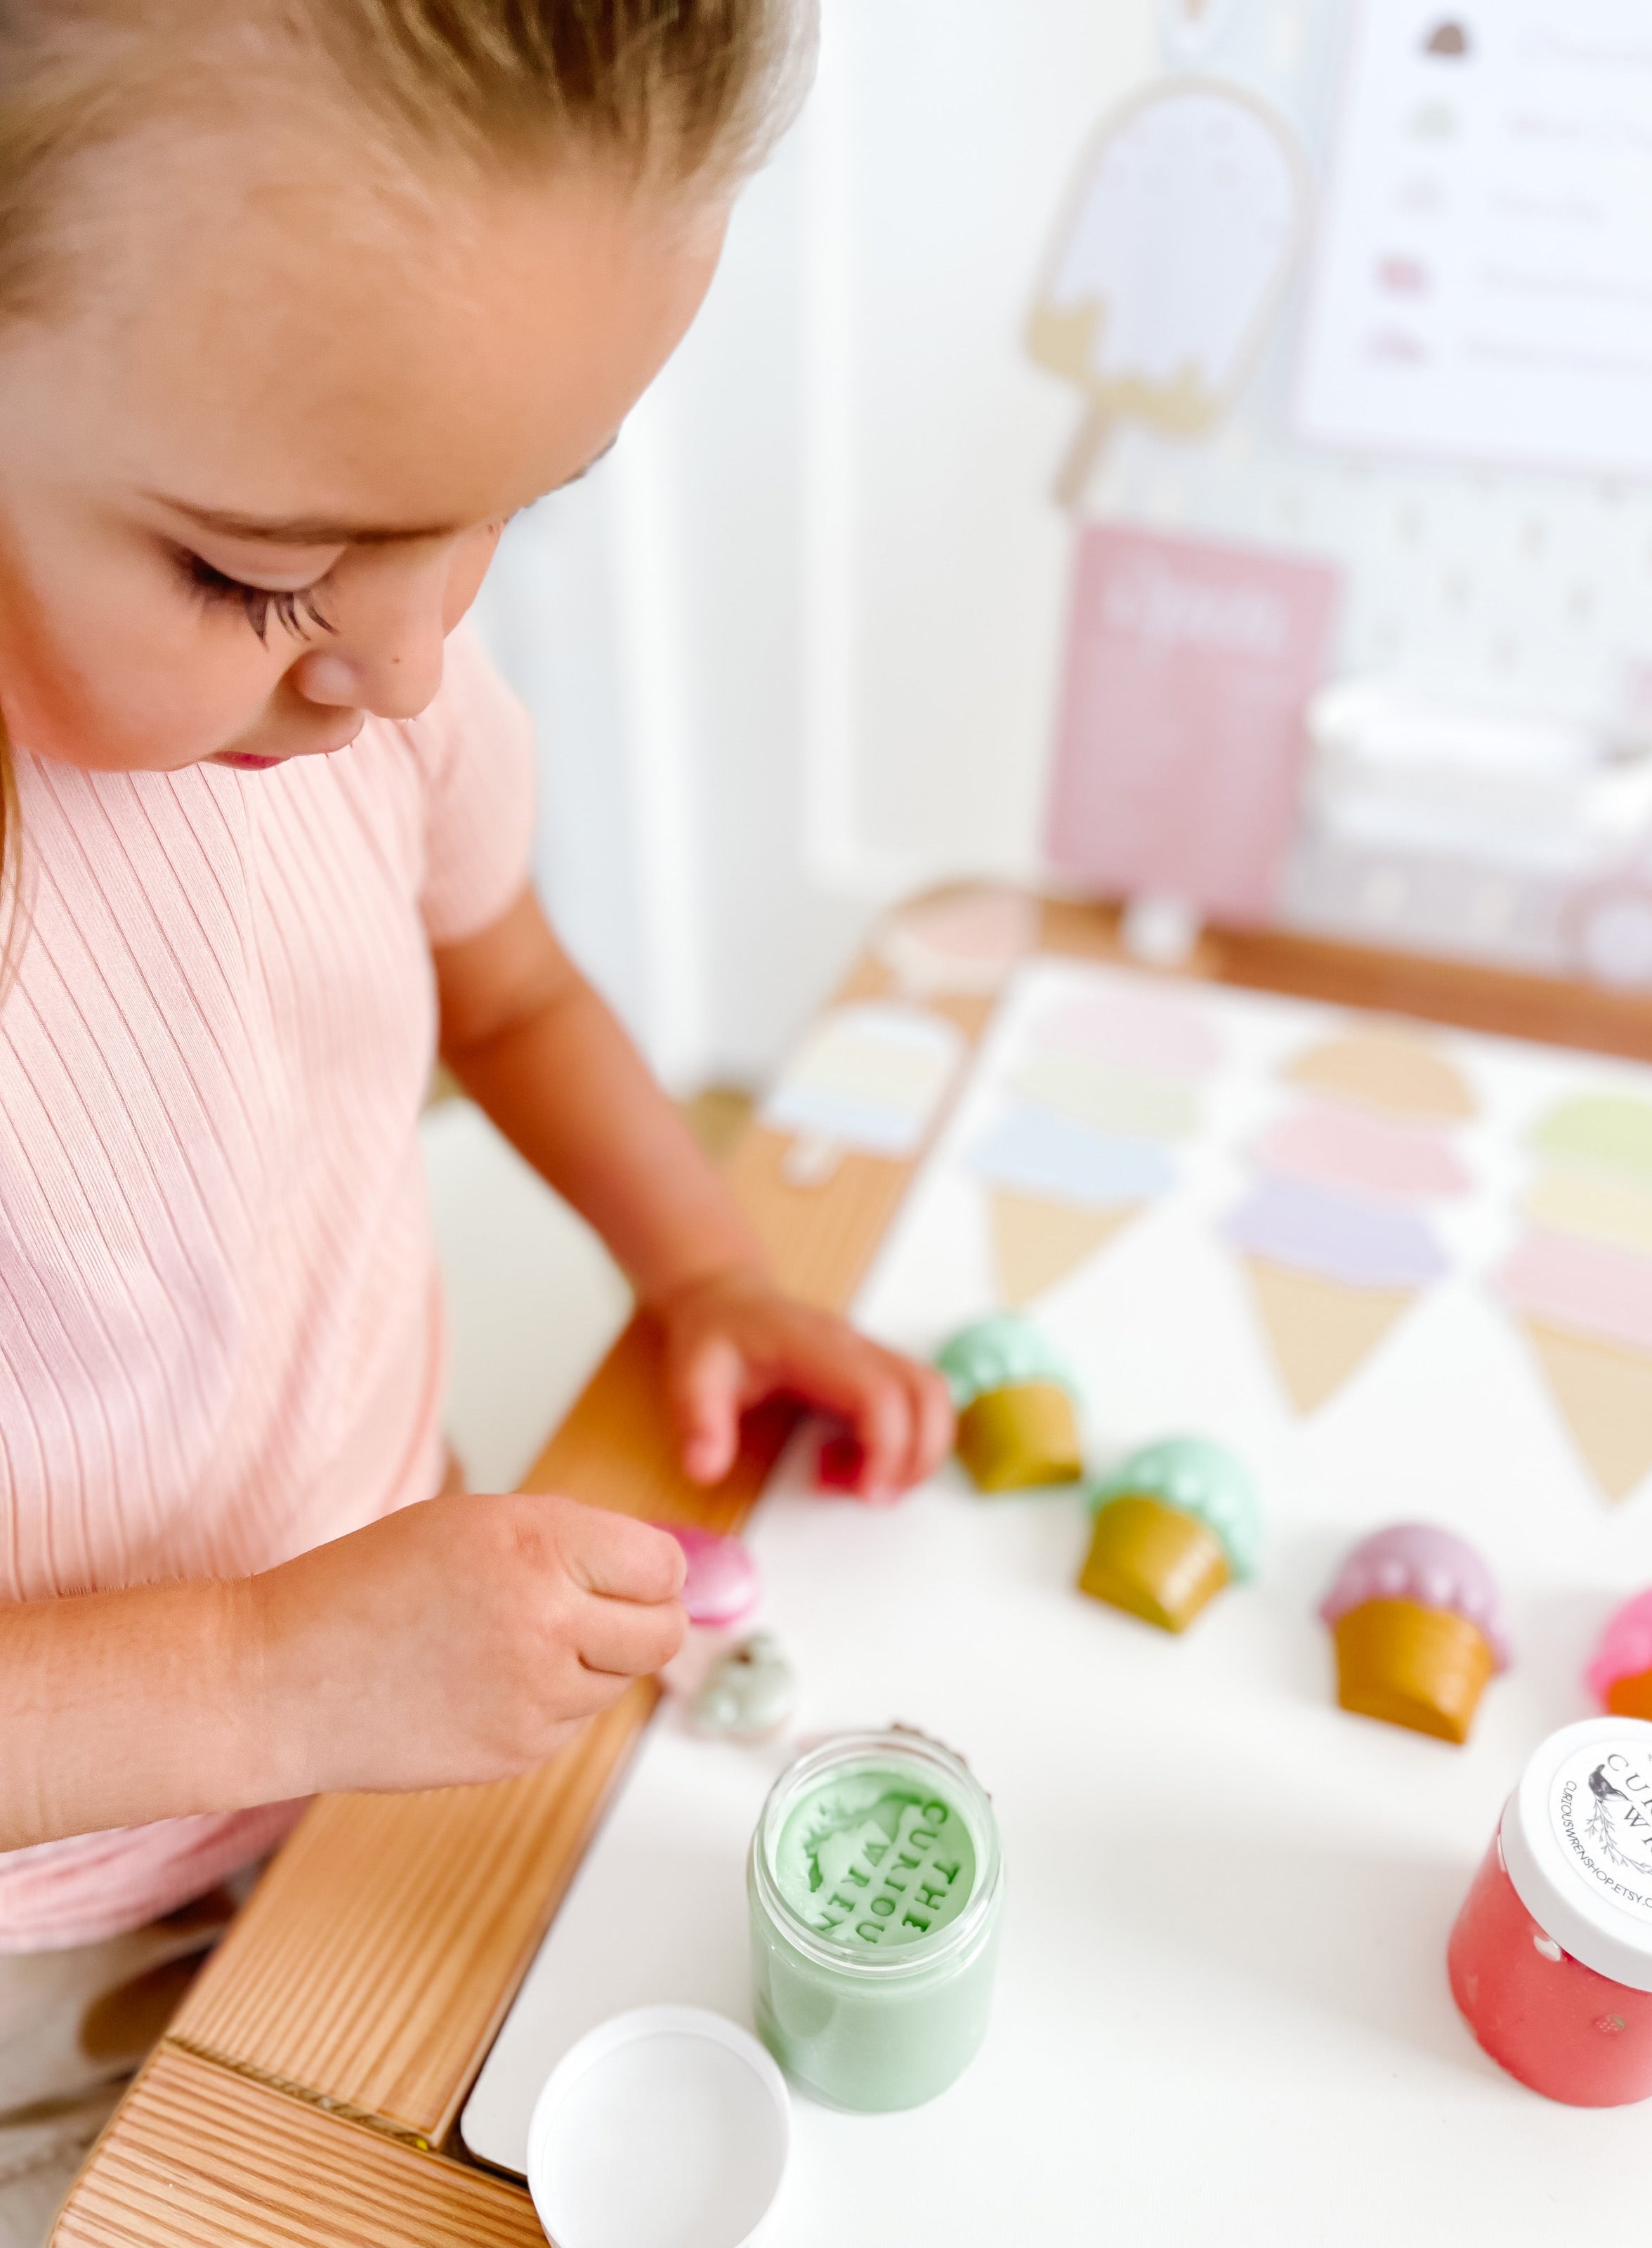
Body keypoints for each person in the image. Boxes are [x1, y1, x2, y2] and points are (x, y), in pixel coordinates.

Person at [0, 3, 952, 2231]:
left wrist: (702, 1262)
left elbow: (506, 992)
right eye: (259, 572)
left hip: (387, 1650)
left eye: (513, 512)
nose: (411, 667)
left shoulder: (366, 685)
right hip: (64, 1907)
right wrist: (259, 1678)